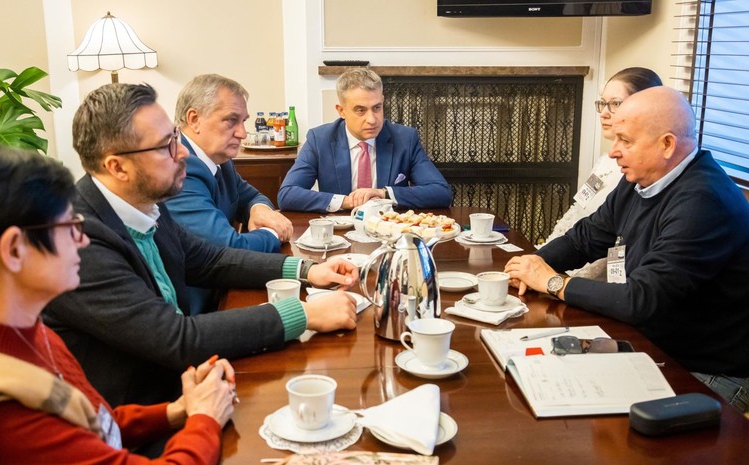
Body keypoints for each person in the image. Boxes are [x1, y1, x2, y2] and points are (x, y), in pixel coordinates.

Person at [43, 83, 358, 410]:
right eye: (166, 145)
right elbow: (177, 338)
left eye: (175, 137)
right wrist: (304, 313)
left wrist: (307, 270)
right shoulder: (77, 242)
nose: (182, 152)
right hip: (138, 415)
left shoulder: (145, 201)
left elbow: (209, 260)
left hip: (184, 384)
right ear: (117, 167)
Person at [0, 142, 235, 464]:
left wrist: (179, 409)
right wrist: (205, 418)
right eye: (68, 227)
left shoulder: (28, 329)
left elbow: (96, 422)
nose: (83, 239)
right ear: (14, 250)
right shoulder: (3, 410)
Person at [504, 86, 749, 412]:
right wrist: (530, 265)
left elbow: (641, 299)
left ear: (666, 144)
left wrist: (552, 282)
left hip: (705, 369)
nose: (614, 152)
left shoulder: (704, 201)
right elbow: (585, 238)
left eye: (626, 141)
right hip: (650, 343)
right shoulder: (641, 178)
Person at [165, 74, 293, 314]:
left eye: (243, 121)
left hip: (225, 289)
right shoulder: (180, 169)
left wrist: (260, 210)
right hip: (197, 311)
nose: (243, 133)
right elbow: (230, 250)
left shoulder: (220, 160)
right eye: (231, 120)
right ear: (194, 119)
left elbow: (251, 196)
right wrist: (273, 232)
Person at [541, 67, 662, 279]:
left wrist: (562, 280)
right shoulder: (606, 162)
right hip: (569, 261)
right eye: (603, 103)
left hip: (595, 279)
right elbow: (579, 209)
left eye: (615, 104)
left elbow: (614, 247)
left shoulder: (640, 174)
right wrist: (542, 256)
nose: (604, 113)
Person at [277, 68, 452, 213]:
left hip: (388, 230)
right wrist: (346, 201)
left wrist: (383, 194)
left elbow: (441, 192)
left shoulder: (405, 139)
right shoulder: (320, 139)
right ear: (341, 111)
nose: (372, 119)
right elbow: (287, 194)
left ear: (383, 102)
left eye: (377, 108)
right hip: (339, 231)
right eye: (360, 110)